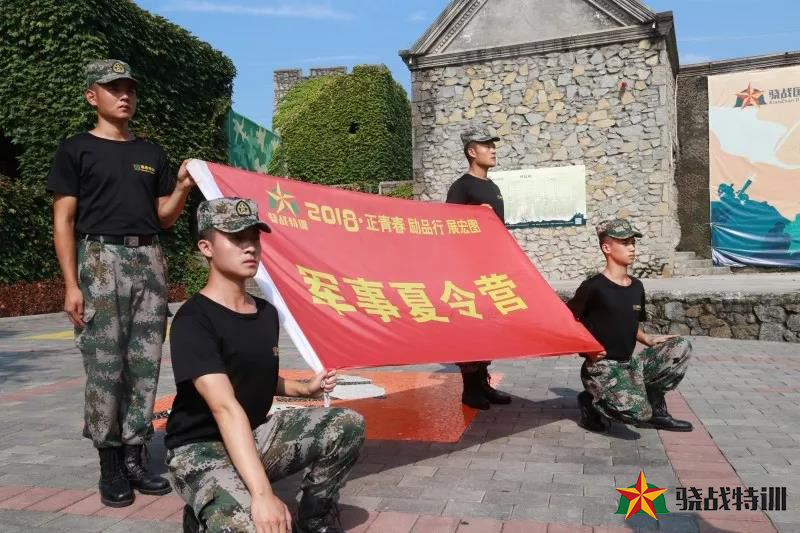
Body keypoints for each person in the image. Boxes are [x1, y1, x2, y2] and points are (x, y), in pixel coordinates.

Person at [165, 198, 365, 533]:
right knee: (253, 526)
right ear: (206, 248)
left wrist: (305, 389)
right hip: (199, 449)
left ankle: (315, 519)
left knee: (347, 424)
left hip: (253, 435)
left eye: (254, 238)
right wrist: (263, 495)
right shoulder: (193, 320)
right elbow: (225, 407)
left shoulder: (265, 312)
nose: (250, 248)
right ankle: (206, 509)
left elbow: (254, 376)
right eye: (236, 238)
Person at [48, 59, 195, 507]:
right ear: (92, 96)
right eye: (114, 88)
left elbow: (163, 217)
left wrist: (182, 187)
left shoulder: (150, 153)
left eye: (129, 88)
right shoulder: (76, 149)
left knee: (144, 363)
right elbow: (63, 220)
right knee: (105, 366)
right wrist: (71, 285)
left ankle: (135, 455)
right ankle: (109, 463)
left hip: (148, 259)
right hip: (100, 260)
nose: (125, 95)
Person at [567, 219, 693, 433]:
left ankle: (657, 410)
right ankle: (590, 402)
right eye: (625, 243)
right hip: (602, 367)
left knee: (680, 347)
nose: (632, 248)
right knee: (639, 414)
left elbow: (628, 322)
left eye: (633, 243)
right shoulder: (593, 287)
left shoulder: (637, 286)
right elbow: (568, 322)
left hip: (630, 364)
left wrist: (647, 339)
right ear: (607, 248)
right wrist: (587, 350)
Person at [445, 128, 511, 410]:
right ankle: (470, 389)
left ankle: (483, 383)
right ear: (472, 152)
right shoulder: (461, 187)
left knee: (488, 327)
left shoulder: (492, 186)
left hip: (492, 268)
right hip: (469, 271)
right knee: (471, 327)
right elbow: (448, 227)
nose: (493, 150)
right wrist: (473, 217)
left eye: (493, 145)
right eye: (486, 146)